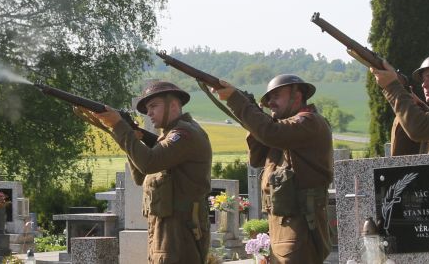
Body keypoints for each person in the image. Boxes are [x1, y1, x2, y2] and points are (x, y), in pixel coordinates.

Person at [74, 81, 211, 264]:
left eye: (154, 106)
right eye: (147, 108)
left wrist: (119, 127)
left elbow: (148, 164)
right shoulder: (167, 137)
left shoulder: (184, 133)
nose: (149, 113)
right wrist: (130, 137)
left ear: (173, 105)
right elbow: (140, 176)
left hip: (180, 235)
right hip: (165, 234)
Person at [210, 74, 333, 263]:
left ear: (297, 96)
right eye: (268, 99)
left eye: (276, 96)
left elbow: (271, 133)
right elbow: (257, 158)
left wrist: (236, 100)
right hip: (284, 228)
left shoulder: (309, 121)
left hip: (301, 227)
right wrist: (255, 118)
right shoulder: (283, 130)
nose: (270, 102)